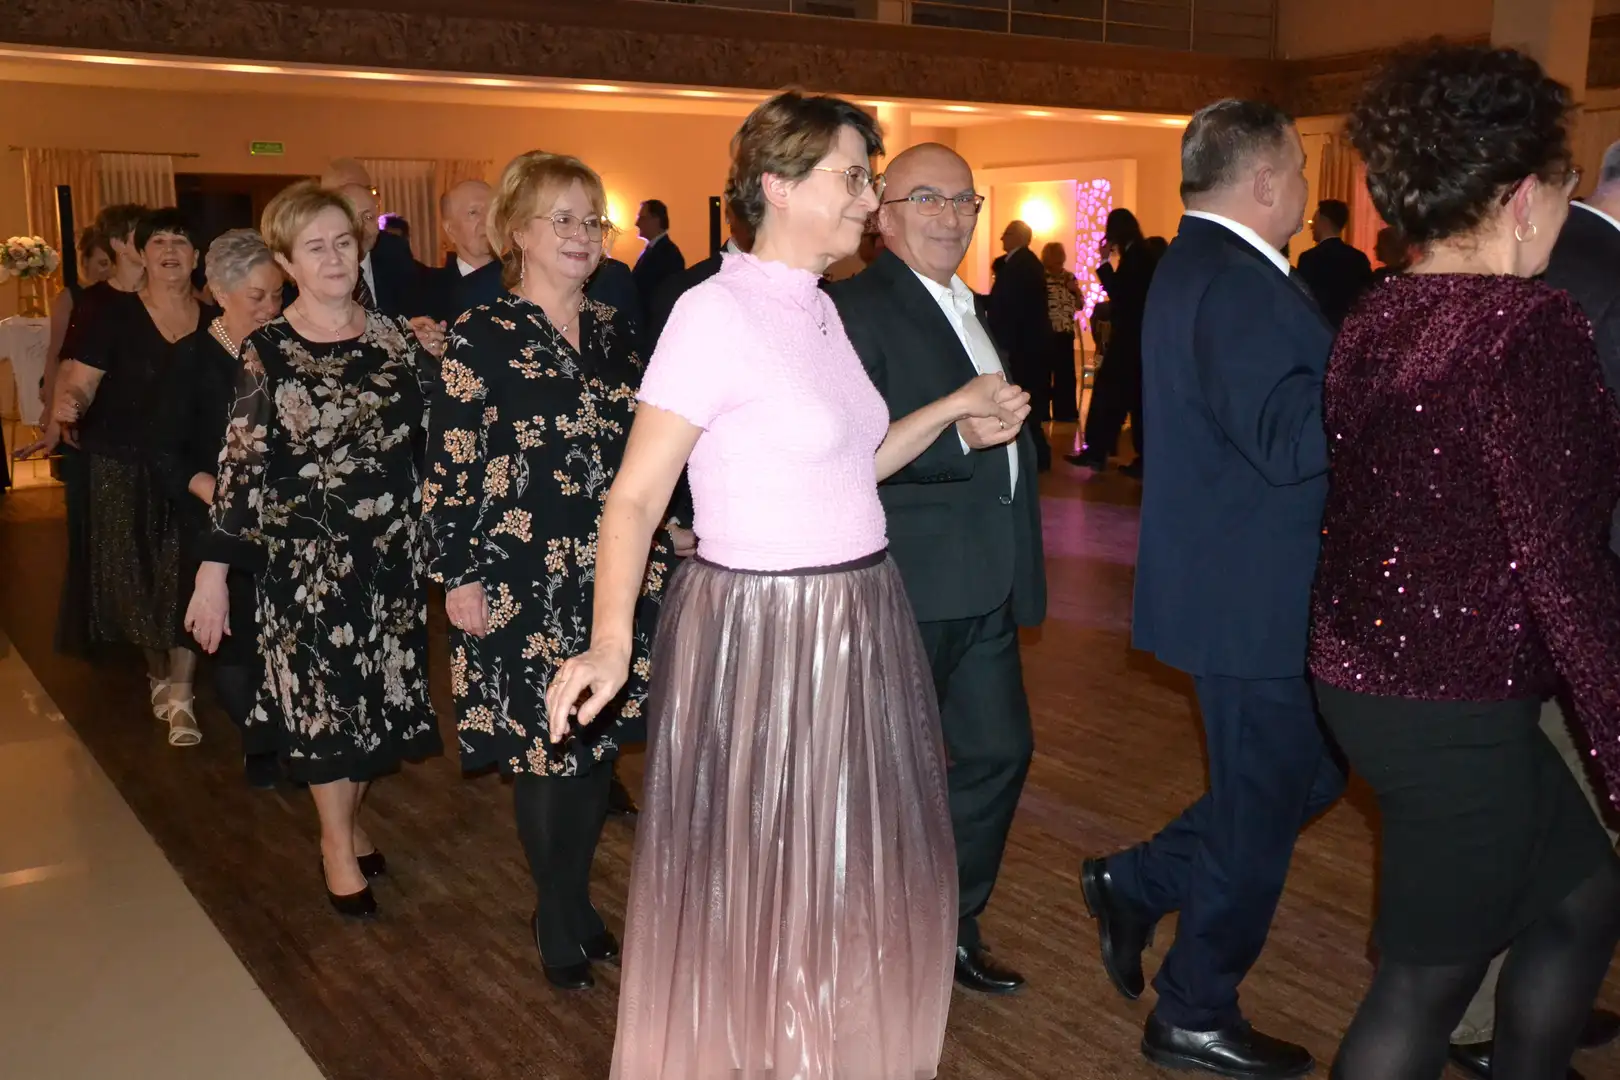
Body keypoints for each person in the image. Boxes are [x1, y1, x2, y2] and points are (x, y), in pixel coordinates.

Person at [545, 91, 1027, 1079]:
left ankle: (820, 1054)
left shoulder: (820, 310)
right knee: (770, 875)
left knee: (844, 868)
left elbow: (854, 463)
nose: (869, 200)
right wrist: (608, 643)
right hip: (765, 626)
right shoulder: (713, 313)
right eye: (853, 178)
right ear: (778, 184)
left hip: (860, 609)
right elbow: (635, 496)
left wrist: (954, 407)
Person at [1312, 44, 1620, 1080]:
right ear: (1525, 196)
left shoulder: (1378, 312)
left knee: (1582, 897)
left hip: (1373, 680)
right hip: (1451, 706)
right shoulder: (1529, 325)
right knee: (1423, 983)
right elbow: (1564, 563)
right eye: (1566, 191)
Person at [1079, 99, 1344, 1080]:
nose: (1307, 187)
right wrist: (1388, 381)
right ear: (1267, 179)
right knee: (1260, 808)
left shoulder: (1210, 263)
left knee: (1298, 780)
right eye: (1302, 168)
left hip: (1246, 589)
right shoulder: (1233, 279)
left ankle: (1139, 881)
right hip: (1250, 601)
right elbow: (1285, 438)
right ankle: (1192, 1010)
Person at [424, 151, 667, 989]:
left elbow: (651, 449)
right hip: (516, 572)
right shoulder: (480, 334)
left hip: (614, 573)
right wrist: (457, 574)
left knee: (594, 750)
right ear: (517, 232)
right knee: (541, 749)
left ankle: (570, 902)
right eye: (561, 218)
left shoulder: (617, 330)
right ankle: (559, 913)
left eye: (592, 219)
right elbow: (450, 465)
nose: (581, 234)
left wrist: (678, 523)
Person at [185, 181, 442, 918]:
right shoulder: (267, 350)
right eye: (314, 247)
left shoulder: (394, 336)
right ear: (288, 262)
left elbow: (442, 434)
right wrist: (212, 574)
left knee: (374, 703)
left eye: (343, 242)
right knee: (325, 706)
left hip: (389, 559)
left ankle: (349, 820)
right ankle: (335, 843)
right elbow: (241, 466)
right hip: (305, 566)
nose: (333, 258)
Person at [828, 142, 1046, 995]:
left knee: (999, 754)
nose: (951, 218)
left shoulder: (967, 302)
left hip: (985, 576)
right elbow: (848, 452)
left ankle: (946, 923)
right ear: (882, 214)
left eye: (965, 202)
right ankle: (873, 945)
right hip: (909, 581)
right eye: (928, 199)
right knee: (888, 781)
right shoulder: (855, 309)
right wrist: (958, 437)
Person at [52, 207, 208, 743]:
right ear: (141, 254)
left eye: (181, 242)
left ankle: (182, 694)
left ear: (196, 257)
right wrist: (70, 404)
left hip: (188, 467)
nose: (170, 250)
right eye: (158, 241)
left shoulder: (216, 321)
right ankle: (157, 672)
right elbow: (81, 381)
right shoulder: (113, 315)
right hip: (121, 462)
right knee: (135, 580)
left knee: (186, 574)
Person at [155, 229, 284, 784]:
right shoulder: (190, 359)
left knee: (280, 642)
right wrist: (214, 490)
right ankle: (260, 745)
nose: (271, 307)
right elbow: (164, 451)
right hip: (217, 522)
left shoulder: (285, 348)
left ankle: (284, 740)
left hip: (282, 520)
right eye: (257, 296)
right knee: (234, 651)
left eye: (277, 294)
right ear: (222, 293)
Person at [1071, 208, 1154, 476]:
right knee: (1124, 399)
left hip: (1130, 340)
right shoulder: (1139, 253)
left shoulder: (1136, 256)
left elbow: (1122, 295)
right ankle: (1102, 452)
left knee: (1111, 395)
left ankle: (1099, 452)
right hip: (1136, 340)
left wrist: (1105, 263)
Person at [988, 219, 1050, 470]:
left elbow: (1011, 306)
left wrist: (1004, 344)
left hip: (1023, 347)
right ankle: (1036, 456)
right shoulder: (1023, 262)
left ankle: (1036, 457)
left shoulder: (1021, 264)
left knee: (1025, 401)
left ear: (1018, 236)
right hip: (1027, 345)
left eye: (1006, 233)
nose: (1002, 238)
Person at [423, 178, 495, 324]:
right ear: (450, 229)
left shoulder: (521, 281)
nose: (487, 221)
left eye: (493, 211)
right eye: (473, 213)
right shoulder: (427, 291)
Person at [1295, 198, 1374, 328]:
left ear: (1324, 221)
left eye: (1314, 221)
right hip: (1349, 329)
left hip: (1317, 328)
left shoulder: (1309, 258)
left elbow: (1302, 301)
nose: (1311, 227)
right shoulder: (1359, 258)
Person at [1040, 241, 1083, 422]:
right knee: (1044, 373)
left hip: (1065, 330)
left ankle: (1065, 412)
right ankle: (1042, 411)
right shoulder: (1041, 278)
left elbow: (1080, 305)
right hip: (1048, 330)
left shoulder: (1069, 277)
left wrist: (1075, 290)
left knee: (1065, 374)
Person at [630, 198, 684, 311]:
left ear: (655, 220)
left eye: (642, 218)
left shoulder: (669, 255)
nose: (637, 223)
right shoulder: (654, 250)